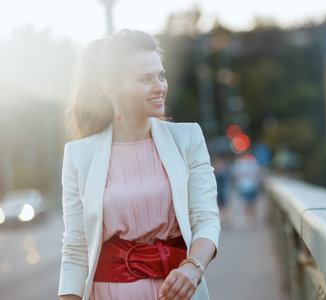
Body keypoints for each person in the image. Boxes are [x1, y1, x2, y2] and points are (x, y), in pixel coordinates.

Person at [58, 29, 220, 300]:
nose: (160, 87)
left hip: (178, 293)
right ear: (111, 89)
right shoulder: (79, 155)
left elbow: (206, 218)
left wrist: (193, 268)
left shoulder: (188, 138)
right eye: (146, 79)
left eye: (161, 75)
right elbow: (75, 250)